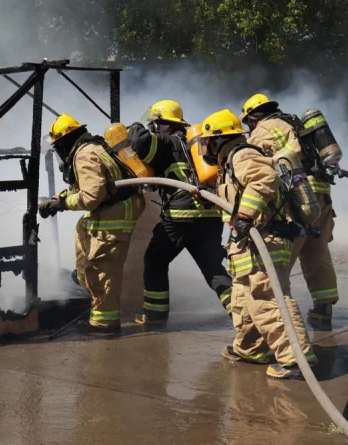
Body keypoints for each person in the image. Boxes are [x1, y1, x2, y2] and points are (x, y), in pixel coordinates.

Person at [198, 108, 317, 379]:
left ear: (218, 139)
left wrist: (243, 215)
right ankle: (251, 349)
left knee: (267, 299)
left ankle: (296, 359)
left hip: (265, 239)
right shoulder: (231, 162)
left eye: (207, 141)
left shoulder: (242, 153)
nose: (205, 148)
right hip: (246, 245)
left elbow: (264, 179)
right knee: (243, 299)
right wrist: (213, 195)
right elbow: (241, 192)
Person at [127, 100, 233, 325]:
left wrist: (134, 126)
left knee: (155, 259)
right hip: (211, 214)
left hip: (181, 216)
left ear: (164, 123)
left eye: (155, 123)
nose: (153, 127)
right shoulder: (198, 145)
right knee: (213, 268)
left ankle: (155, 317)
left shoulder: (166, 141)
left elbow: (139, 142)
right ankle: (244, 315)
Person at [38, 113, 145, 334]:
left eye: (57, 145)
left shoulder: (84, 155)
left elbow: (91, 196)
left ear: (65, 140)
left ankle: (103, 326)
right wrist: (58, 198)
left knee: (101, 272)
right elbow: (87, 187)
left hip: (113, 218)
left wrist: (62, 205)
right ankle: (82, 278)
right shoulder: (93, 147)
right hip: (111, 212)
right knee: (82, 233)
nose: (58, 151)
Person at [241, 93, 340, 323]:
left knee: (282, 255)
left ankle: (278, 313)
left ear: (252, 118)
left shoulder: (261, 131)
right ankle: (323, 309)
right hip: (322, 193)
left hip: (297, 194)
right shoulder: (293, 123)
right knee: (317, 250)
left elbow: (259, 169)